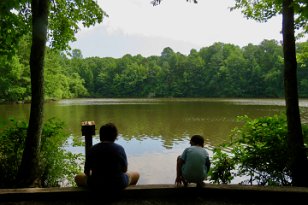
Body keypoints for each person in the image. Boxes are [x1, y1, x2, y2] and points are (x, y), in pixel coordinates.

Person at [75, 123, 139, 191]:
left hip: (96, 184)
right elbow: (124, 170)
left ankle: (88, 195)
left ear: (100, 136)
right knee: (136, 174)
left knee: (78, 177)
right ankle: (126, 195)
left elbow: (86, 172)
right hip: (118, 183)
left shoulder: (93, 149)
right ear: (115, 136)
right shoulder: (119, 149)